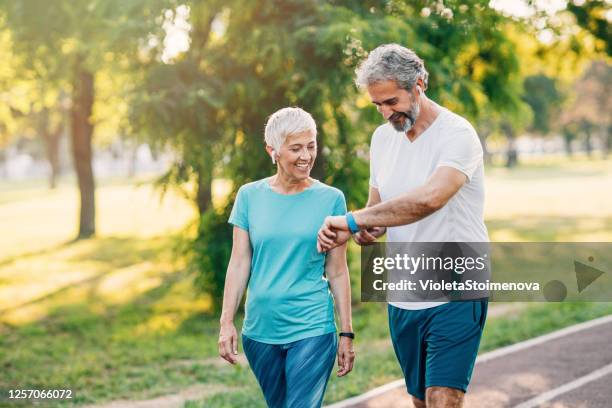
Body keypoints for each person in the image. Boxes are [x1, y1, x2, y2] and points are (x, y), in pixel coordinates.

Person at [317, 44, 489, 408]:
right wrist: (366, 229)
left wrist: (354, 220)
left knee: (443, 398)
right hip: (404, 292)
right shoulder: (382, 139)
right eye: (377, 105)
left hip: (457, 288)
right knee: (420, 401)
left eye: (391, 101)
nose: (385, 113)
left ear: (419, 84)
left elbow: (431, 197)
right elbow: (376, 209)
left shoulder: (457, 134)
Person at [219, 107, 355, 408]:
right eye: (295, 148)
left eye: (311, 146)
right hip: (260, 331)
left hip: (312, 327)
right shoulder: (248, 196)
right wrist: (226, 322)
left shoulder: (331, 199)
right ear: (273, 151)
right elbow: (239, 262)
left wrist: (346, 332)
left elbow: (337, 271)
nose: (306, 156)